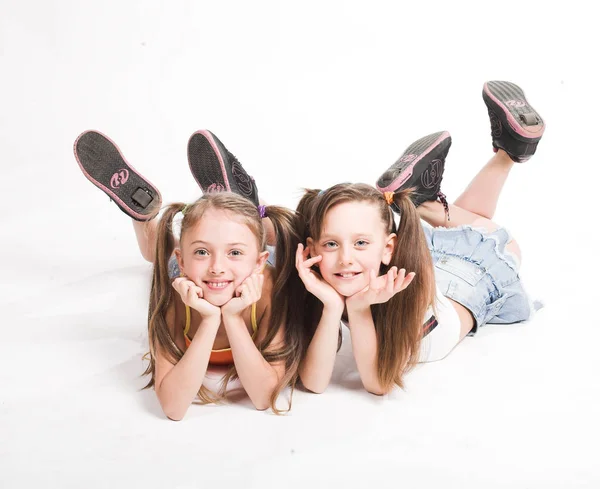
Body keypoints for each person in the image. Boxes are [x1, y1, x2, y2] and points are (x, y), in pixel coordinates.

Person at [294, 80, 545, 395]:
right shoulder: (357, 271)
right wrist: (332, 306)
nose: (345, 258)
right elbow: (314, 384)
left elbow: (376, 383)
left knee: (501, 242)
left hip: (466, 279)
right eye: (332, 244)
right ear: (313, 248)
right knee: (473, 224)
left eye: (360, 243)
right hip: (435, 263)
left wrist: (357, 309)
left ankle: (437, 195)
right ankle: (437, 195)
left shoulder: (407, 296)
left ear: (388, 249)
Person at [73, 130, 304, 419]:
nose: (216, 266)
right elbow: (173, 407)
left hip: (243, 267)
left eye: (233, 253)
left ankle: (248, 209)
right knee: (156, 253)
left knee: (292, 242)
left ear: (260, 264)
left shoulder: (267, 289)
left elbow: (262, 397)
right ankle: (144, 215)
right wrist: (209, 319)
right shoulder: (179, 293)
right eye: (202, 252)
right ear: (184, 261)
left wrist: (231, 317)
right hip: (195, 277)